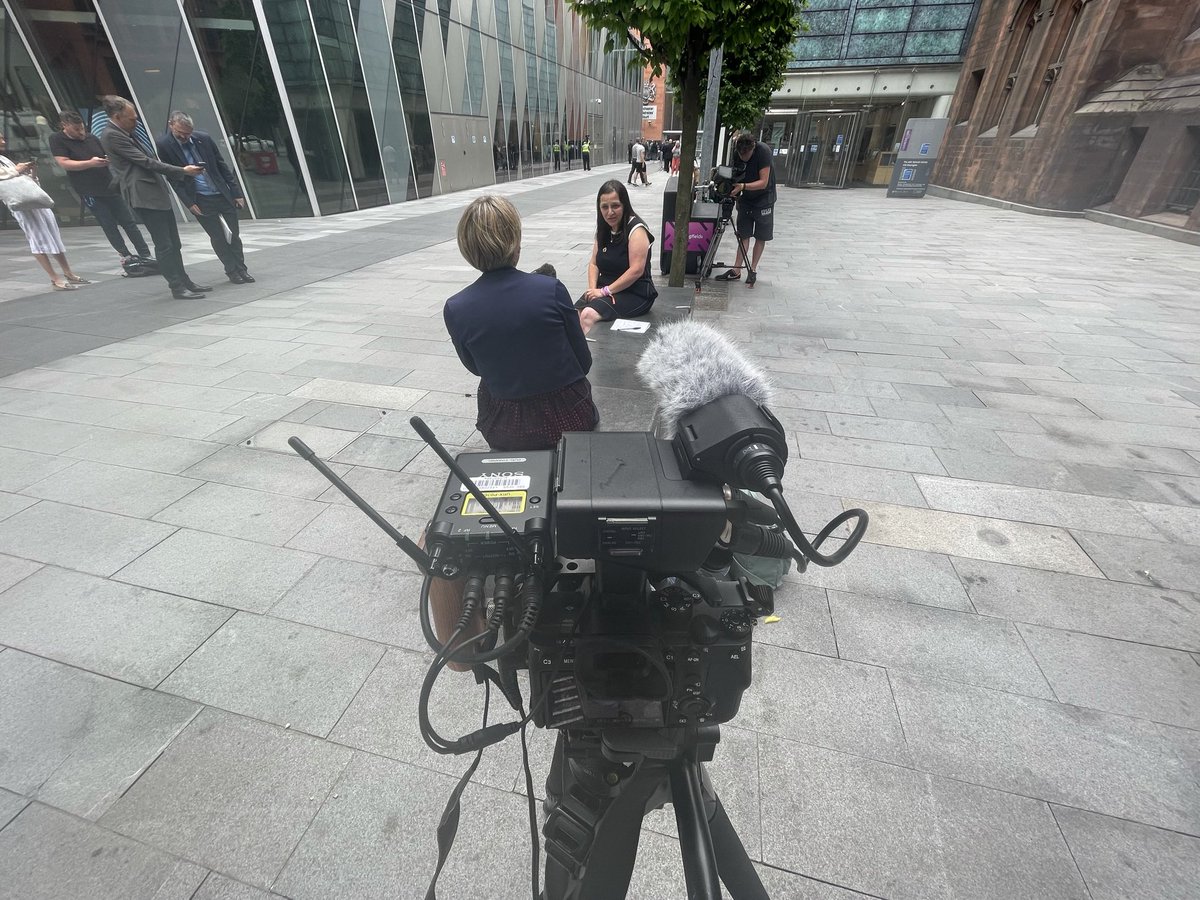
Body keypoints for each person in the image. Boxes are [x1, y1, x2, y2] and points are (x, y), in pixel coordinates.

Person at [444, 194, 599, 452]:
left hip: (504, 426)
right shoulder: (550, 290)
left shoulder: (456, 308)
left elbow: (476, 368)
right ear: (515, 242)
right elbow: (583, 362)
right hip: (569, 419)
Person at [100, 96, 210, 299]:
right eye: (132, 119)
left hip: (155, 193)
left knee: (173, 243)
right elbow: (146, 162)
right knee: (164, 244)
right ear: (117, 116)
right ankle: (177, 286)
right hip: (144, 196)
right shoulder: (112, 135)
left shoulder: (126, 133)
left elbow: (149, 159)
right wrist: (182, 171)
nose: (136, 123)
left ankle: (185, 281)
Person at [156, 111, 254, 284]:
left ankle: (242, 269)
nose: (185, 137)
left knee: (233, 235)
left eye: (188, 133)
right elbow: (172, 177)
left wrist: (236, 192)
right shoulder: (164, 145)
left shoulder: (204, 139)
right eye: (181, 133)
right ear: (171, 125)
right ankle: (231, 271)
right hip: (200, 197)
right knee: (217, 236)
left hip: (221, 193)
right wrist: (188, 202)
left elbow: (221, 165)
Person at [49, 111, 151, 265]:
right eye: (76, 129)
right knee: (108, 223)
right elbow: (64, 163)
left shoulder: (91, 138)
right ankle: (125, 254)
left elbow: (105, 154)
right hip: (89, 189)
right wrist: (90, 163)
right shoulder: (57, 139)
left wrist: (108, 160)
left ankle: (145, 253)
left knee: (128, 221)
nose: (81, 132)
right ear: (65, 126)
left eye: (82, 128)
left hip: (108, 184)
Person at [0, 131, 89, 291]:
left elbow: (19, 179)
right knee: (37, 238)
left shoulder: (4, 159)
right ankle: (54, 278)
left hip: (34, 199)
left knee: (53, 234)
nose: (3, 141)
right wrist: (17, 170)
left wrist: (30, 172)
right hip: (21, 205)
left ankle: (68, 272)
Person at [575, 180, 658, 335]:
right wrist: (593, 289)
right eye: (604, 207)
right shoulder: (604, 228)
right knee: (573, 314)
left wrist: (604, 291)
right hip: (605, 289)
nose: (610, 212)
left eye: (615, 206)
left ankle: (591, 356)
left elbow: (636, 270)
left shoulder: (636, 230)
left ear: (624, 205)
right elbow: (593, 263)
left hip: (635, 292)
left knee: (588, 315)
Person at [716, 132, 777, 287]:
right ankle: (737, 269)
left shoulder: (763, 151)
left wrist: (743, 186)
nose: (743, 157)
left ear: (753, 147)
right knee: (743, 233)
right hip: (746, 198)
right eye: (741, 154)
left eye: (746, 154)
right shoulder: (738, 152)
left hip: (764, 198)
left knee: (760, 235)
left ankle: (753, 269)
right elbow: (736, 174)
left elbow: (764, 182)